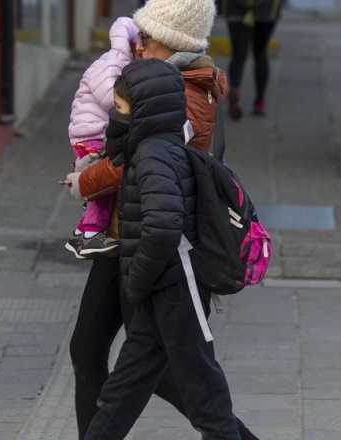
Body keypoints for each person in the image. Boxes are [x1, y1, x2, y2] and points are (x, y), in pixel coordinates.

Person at [63, 1, 259, 439]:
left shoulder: (181, 94)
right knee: (98, 352)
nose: (138, 46)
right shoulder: (161, 83)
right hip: (128, 233)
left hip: (154, 245)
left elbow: (143, 162)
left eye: (146, 40)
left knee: (163, 369)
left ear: (171, 43)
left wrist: (84, 180)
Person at [84, 58, 241, 440]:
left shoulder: (153, 156)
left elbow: (163, 226)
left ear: (143, 111)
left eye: (120, 108)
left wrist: (136, 282)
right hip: (163, 285)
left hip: (177, 285)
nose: (115, 117)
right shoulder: (153, 149)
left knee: (204, 390)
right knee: (125, 387)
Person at [65, 17, 140, 259]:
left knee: (99, 184)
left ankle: (81, 232)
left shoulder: (118, 62)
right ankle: (90, 235)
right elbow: (110, 98)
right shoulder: (113, 62)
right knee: (102, 189)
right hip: (90, 134)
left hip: (91, 131)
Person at [222, 0, 282, 119]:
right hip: (266, 10)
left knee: (238, 55)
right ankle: (259, 102)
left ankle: (235, 90)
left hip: (235, 8)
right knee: (260, 53)